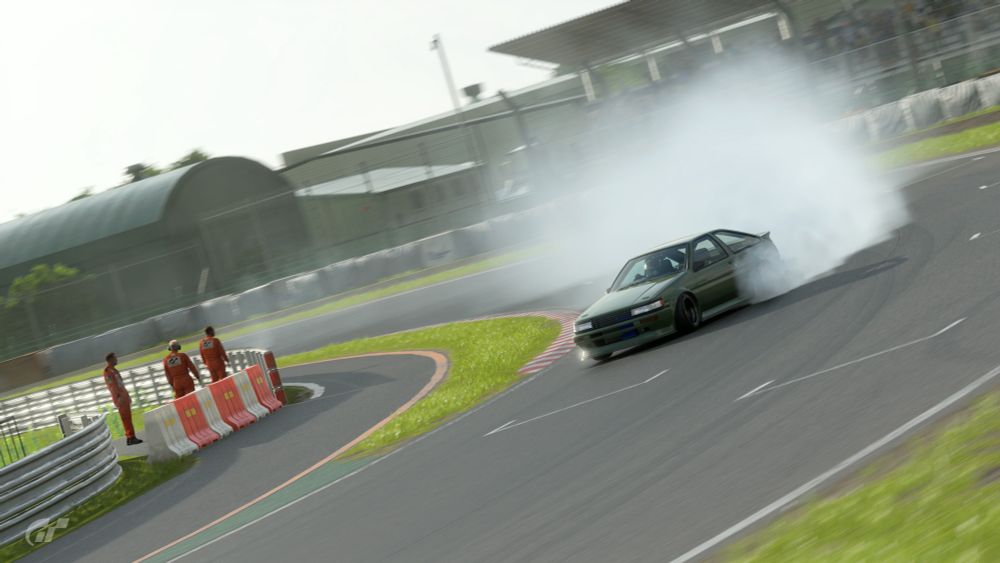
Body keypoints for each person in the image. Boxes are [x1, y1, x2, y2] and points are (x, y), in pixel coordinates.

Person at [104, 353, 143, 445]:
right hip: (119, 397)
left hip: (123, 395)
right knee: (126, 418)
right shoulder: (108, 372)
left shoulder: (114, 370)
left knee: (128, 417)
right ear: (110, 360)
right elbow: (112, 386)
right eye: (115, 358)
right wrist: (118, 397)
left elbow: (120, 384)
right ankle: (130, 437)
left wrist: (127, 395)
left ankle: (130, 437)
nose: (116, 360)